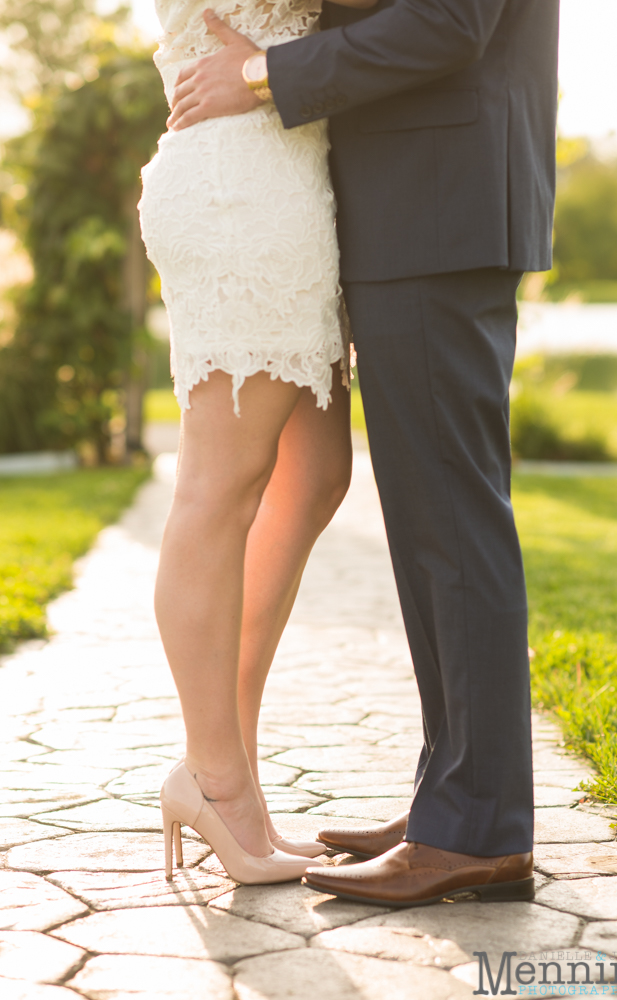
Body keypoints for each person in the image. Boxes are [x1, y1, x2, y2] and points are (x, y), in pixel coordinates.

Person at [167, 0, 560, 905]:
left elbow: (451, 21)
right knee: (434, 521)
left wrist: (263, 73)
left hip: (438, 200)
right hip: (416, 199)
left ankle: (477, 829)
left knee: (453, 521)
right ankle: (455, 801)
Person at [138, 0, 376, 885]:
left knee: (315, 474)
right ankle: (215, 779)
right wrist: (255, 72)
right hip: (242, 186)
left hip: (284, 167)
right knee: (220, 484)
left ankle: (229, 765)